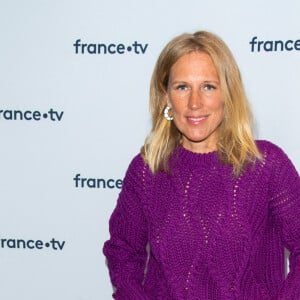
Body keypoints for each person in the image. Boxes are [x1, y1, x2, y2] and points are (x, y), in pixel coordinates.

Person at [103, 31, 300, 299]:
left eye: (208, 86)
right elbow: (122, 252)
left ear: (228, 94)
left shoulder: (267, 165)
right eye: (182, 87)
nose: (195, 103)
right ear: (166, 97)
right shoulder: (146, 171)